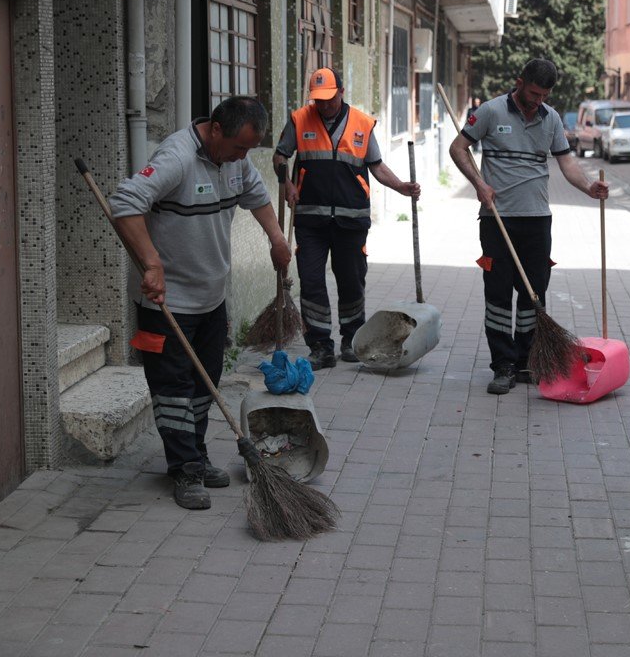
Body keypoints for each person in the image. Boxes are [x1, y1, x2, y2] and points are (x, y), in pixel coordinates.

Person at [109, 96, 291, 511]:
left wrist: (277, 240)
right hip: (167, 303)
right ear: (214, 130)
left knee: (204, 383)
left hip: (211, 299)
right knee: (172, 388)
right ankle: (185, 468)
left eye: (248, 150)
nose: (242, 158)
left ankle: (196, 454)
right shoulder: (176, 157)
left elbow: (257, 195)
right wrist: (151, 265)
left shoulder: (234, 161)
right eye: (238, 148)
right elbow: (124, 204)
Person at [449, 58, 609, 395]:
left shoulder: (550, 118)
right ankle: (503, 365)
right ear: (519, 82)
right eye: (534, 93)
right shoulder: (491, 112)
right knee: (498, 295)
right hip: (497, 220)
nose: (538, 101)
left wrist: (589, 187)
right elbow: (458, 148)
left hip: (537, 220)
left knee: (533, 294)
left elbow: (566, 162)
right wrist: (479, 183)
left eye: (544, 95)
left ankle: (527, 360)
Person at [273, 67, 420, 369]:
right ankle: (320, 347)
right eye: (318, 100)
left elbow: (377, 167)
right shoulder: (300, 119)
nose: (323, 105)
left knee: (351, 281)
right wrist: (286, 183)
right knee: (312, 282)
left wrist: (402, 187)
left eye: (329, 98)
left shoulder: (362, 124)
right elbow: (279, 156)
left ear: (341, 92)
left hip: (351, 220)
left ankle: (351, 340)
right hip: (310, 220)